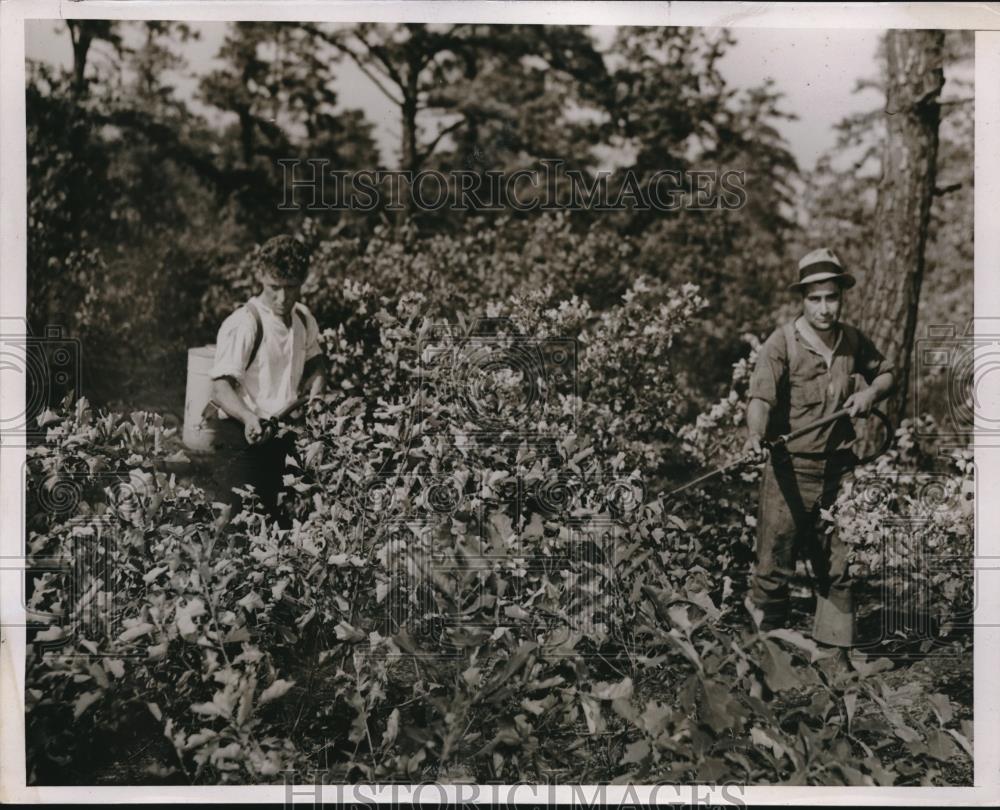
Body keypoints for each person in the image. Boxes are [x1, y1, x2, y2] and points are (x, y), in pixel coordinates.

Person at [743, 247, 893, 656]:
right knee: (773, 570)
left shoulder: (853, 340)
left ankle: (834, 660)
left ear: (841, 298)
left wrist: (869, 393)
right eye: (815, 298)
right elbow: (761, 399)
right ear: (802, 299)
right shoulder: (781, 344)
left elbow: (887, 373)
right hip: (788, 473)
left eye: (832, 297)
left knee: (839, 567)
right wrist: (755, 436)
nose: (824, 308)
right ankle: (762, 660)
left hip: (839, 473)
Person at [209, 235, 326, 525]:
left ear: (303, 280)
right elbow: (221, 388)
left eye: (291, 288)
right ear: (260, 276)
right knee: (232, 521)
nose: (283, 298)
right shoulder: (244, 323)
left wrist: (316, 403)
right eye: (275, 288)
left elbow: (319, 366)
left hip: (282, 437)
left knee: (277, 525)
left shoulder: (303, 318)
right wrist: (249, 417)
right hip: (242, 437)